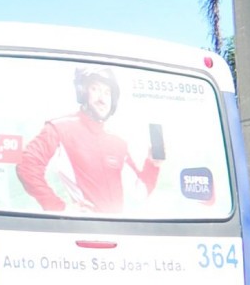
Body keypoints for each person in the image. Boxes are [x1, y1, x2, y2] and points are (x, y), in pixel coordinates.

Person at [15, 66, 162, 214]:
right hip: (81, 230)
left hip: (116, 230)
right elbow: (27, 166)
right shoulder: (59, 128)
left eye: (107, 92)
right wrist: (60, 209)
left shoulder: (118, 143)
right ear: (82, 92)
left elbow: (139, 192)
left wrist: (152, 165)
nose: (102, 99)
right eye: (95, 89)